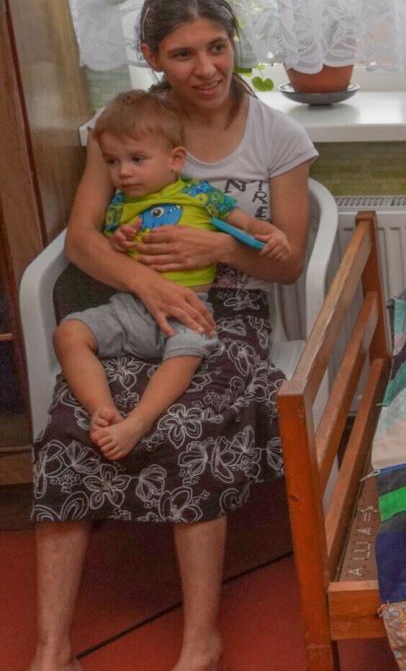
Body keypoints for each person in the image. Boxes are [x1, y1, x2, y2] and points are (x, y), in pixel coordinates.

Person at [8, 0, 317, 671]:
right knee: (75, 417)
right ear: (152, 56)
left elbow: (288, 260)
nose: (207, 67)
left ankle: (201, 648)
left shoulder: (277, 136)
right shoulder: (129, 125)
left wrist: (220, 246)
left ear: (235, 42)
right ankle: (53, 651)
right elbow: (81, 239)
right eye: (183, 53)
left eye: (218, 46)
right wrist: (144, 281)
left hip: (227, 313)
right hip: (135, 307)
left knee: (188, 421)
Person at [58, 89, 292, 462]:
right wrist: (119, 239)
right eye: (113, 162)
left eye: (136, 160)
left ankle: (138, 421)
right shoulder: (120, 206)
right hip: (132, 306)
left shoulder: (200, 196)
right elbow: (105, 249)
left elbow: (248, 225)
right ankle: (102, 409)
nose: (124, 172)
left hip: (188, 309)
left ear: (175, 160)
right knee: (70, 332)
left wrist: (274, 236)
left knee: (187, 351)